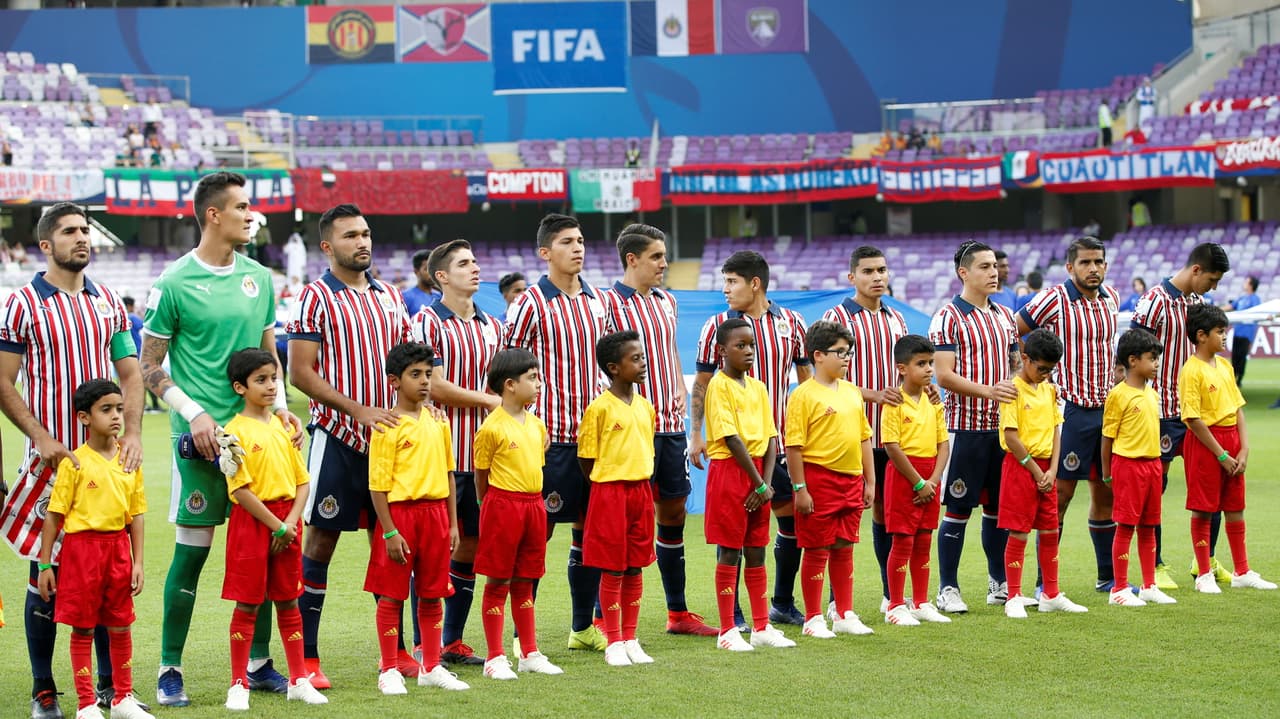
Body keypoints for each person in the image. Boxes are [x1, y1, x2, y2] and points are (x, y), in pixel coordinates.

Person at [141, 172, 302, 706]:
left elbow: (268, 356)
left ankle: (257, 665)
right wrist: (196, 414)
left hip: (258, 446)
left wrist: (279, 411)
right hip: (202, 445)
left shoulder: (260, 277)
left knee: (259, 552)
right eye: (242, 206)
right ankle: (169, 668)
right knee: (193, 553)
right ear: (213, 214)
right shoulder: (174, 282)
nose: (251, 214)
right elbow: (149, 367)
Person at [0, 202, 145, 719]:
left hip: (104, 465)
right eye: (69, 232)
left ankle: (112, 690)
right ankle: (45, 689)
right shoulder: (22, 304)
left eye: (85, 230)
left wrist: (131, 432)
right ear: (46, 245)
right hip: (53, 464)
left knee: (109, 572)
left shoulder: (107, 301)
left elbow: (130, 374)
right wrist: (40, 435)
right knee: (46, 574)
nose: (81, 238)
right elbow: (3, 380)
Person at [286, 203, 413, 687]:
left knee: (392, 546)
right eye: (350, 236)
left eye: (366, 233)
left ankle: (397, 648)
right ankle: (309, 657)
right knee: (320, 541)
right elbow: (300, 373)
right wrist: (357, 410)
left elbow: (407, 364)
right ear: (327, 246)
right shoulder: (314, 297)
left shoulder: (390, 297)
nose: (362, 242)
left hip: (390, 443)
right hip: (337, 438)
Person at [599, 225, 715, 637]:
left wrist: (676, 392)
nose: (664, 263)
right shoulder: (606, 304)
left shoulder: (667, 301)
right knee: (624, 519)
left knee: (674, 512)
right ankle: (602, 615)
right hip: (629, 428)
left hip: (670, 425)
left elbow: (665, 355)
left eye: (664, 255)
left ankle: (677, 613)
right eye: (656, 256)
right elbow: (603, 364)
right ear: (632, 259)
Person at [503, 213, 611, 651]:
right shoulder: (530, 302)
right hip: (547, 439)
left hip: (593, 438)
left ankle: (582, 627)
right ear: (546, 252)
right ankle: (520, 634)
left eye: (581, 240)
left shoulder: (597, 301)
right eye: (567, 241)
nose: (578, 248)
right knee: (536, 535)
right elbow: (507, 366)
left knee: (588, 531)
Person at [691, 251, 811, 627]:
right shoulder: (717, 325)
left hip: (778, 444)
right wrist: (696, 433)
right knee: (735, 531)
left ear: (754, 283)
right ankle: (735, 613)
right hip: (736, 449)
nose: (725, 289)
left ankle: (781, 602)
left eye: (732, 281)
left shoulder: (792, 322)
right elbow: (703, 382)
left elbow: (806, 382)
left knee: (790, 523)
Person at [36, 379, 151, 719]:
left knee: (120, 624)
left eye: (119, 408)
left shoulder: (129, 458)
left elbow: (137, 515)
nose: (117, 416)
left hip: (117, 549)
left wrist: (138, 562)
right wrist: (45, 566)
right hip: (81, 551)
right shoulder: (73, 462)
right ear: (84, 418)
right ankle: (86, 704)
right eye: (107, 410)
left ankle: (123, 699)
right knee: (83, 627)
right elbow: (53, 518)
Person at [412, 239, 502, 666]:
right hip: (442, 456)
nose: (476, 268)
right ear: (441, 276)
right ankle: (419, 641)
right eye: (465, 263)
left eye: (476, 260)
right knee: (433, 549)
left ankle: (451, 640)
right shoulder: (428, 322)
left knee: (471, 545)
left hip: (485, 458)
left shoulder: (492, 325)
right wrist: (488, 401)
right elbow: (436, 386)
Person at [220, 349, 327, 710]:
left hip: (287, 522)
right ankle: (239, 683)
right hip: (254, 522)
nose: (270, 386)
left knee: (288, 600)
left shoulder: (284, 428)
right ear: (240, 387)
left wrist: (291, 523)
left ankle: (298, 679)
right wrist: (277, 525)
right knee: (248, 604)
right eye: (260, 380)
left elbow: (302, 482)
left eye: (273, 378)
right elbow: (240, 490)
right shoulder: (232, 433)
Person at [1016, 237, 1121, 593]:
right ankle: (1044, 584)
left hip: (1105, 410)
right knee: (1059, 496)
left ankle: (1107, 577)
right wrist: (1031, 376)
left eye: (1099, 262)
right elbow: (1016, 330)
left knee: (1105, 493)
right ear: (1070, 267)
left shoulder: (1112, 298)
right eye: (1086, 263)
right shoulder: (1053, 299)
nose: (1094, 269)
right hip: (1069, 410)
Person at [365, 342, 471, 695]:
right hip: (401, 517)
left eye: (428, 374)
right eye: (416, 375)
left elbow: (449, 474)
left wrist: (453, 524)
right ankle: (389, 668)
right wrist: (390, 532)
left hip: (436, 516)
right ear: (394, 381)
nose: (424, 382)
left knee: (431, 594)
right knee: (392, 595)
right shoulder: (386, 426)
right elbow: (378, 487)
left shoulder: (438, 421)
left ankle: (430, 666)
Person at [1130, 242, 1230, 590]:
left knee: (1210, 484)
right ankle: (1154, 563)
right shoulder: (1155, 301)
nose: (1213, 287)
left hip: (1198, 410)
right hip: (1162, 409)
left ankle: (1206, 560)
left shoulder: (1199, 305)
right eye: (1212, 279)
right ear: (1196, 270)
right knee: (1156, 485)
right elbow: (1133, 350)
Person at [929, 240, 1020, 614]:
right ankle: (947, 587)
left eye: (994, 266)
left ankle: (998, 583)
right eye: (984, 266)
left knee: (998, 510)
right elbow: (943, 375)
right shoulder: (948, 316)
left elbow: (1015, 363)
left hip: (1001, 429)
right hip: (964, 428)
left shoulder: (1003, 316)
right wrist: (989, 390)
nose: (993, 272)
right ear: (963, 273)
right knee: (959, 508)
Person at [821, 246, 910, 613]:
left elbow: (906, 372)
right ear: (851, 277)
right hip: (847, 435)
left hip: (890, 435)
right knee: (842, 518)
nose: (877, 277)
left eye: (882, 270)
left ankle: (893, 597)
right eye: (869, 271)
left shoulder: (896, 319)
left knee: (888, 515)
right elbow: (824, 377)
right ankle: (834, 602)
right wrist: (874, 394)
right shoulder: (836, 317)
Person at [472, 348, 563, 680]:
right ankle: (495, 657)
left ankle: (529, 652)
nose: (539, 383)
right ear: (509, 384)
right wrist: (490, 507)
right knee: (498, 580)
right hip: (502, 505)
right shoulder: (491, 428)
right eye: (533, 378)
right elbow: (481, 475)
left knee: (526, 579)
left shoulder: (537, 425)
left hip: (533, 506)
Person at [702, 318, 792, 652]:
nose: (748, 351)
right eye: (740, 346)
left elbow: (771, 437)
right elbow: (731, 438)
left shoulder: (758, 387)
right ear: (722, 350)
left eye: (751, 345)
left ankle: (761, 626)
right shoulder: (718, 385)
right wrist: (757, 484)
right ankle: (727, 630)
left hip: (759, 476)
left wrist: (766, 485)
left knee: (756, 548)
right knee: (730, 548)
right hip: (731, 471)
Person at [785, 320, 876, 638]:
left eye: (849, 352)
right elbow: (794, 445)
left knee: (844, 546)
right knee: (817, 548)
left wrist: (871, 481)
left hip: (851, 481)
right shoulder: (803, 395)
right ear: (818, 355)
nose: (847, 357)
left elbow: (864, 438)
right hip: (818, 480)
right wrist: (800, 488)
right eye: (840, 352)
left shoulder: (852, 392)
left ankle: (844, 612)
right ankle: (812, 618)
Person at [1179, 305, 1276, 593]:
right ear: (1201, 335)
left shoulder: (1224, 366)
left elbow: (1238, 408)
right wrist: (1221, 454)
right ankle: (1204, 574)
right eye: (1220, 332)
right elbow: (1192, 418)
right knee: (1203, 508)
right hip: (1206, 443)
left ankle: (1242, 570)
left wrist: (1244, 448)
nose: (1225, 337)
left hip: (1231, 438)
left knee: (1235, 506)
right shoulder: (1191, 371)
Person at [578, 330, 658, 666]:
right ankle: (613, 641)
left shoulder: (645, 407)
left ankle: (631, 637)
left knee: (635, 564)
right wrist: (605, 485)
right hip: (609, 492)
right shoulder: (599, 408)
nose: (643, 364)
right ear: (613, 367)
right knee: (613, 568)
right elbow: (586, 457)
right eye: (635, 359)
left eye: (643, 357)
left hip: (641, 491)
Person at [997, 329, 1088, 618]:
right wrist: (1037, 470)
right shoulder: (1012, 390)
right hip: (1022, 467)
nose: (1045, 374)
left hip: (1047, 469)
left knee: (1050, 529)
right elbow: (1011, 436)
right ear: (1025, 358)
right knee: (1019, 530)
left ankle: (1050, 593)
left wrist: (1052, 469)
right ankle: (1013, 596)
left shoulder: (1049, 390)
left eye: (1051, 370)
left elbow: (1056, 429)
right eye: (1041, 368)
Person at [880, 335, 950, 626]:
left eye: (930, 363)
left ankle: (920, 601)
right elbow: (891, 446)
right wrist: (919, 482)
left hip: (930, 477)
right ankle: (896, 605)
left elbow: (943, 444)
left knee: (924, 539)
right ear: (901, 368)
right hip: (904, 477)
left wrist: (933, 480)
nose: (928, 369)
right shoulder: (894, 403)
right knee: (903, 540)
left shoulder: (934, 401)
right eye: (921, 364)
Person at [1103, 329, 1173, 607]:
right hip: (1128, 466)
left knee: (1149, 525)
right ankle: (1119, 588)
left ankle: (1149, 585)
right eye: (1151, 358)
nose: (1156, 364)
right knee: (1126, 526)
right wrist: (1108, 472)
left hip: (1152, 465)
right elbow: (1107, 436)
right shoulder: (1119, 395)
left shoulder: (1152, 394)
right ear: (1133, 360)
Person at [123, 296, 160, 414]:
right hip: (138, 353)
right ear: (130, 306)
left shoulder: (122, 317)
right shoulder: (132, 317)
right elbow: (146, 325)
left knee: (130, 382)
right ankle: (153, 405)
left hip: (127, 354)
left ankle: (138, 405)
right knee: (146, 381)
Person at [1226, 276, 1261, 384]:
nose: (1244, 283)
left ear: (1251, 285)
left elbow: (1256, 315)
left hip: (1247, 333)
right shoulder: (1242, 298)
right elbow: (1231, 306)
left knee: (1241, 357)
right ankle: (1234, 378)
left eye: (1246, 282)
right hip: (1237, 332)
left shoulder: (1255, 299)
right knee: (1235, 356)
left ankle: (1238, 379)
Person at [402, 249, 439, 317]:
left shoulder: (440, 296)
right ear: (416, 272)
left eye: (433, 268)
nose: (432, 272)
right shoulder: (405, 297)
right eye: (426, 269)